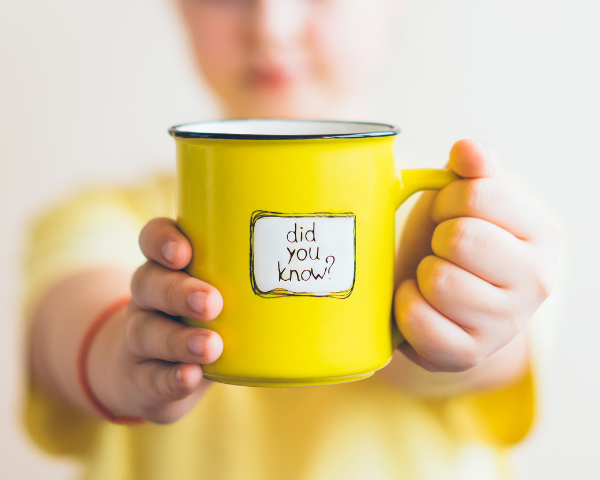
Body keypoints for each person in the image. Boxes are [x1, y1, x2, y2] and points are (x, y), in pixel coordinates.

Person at [22, 0, 560, 479]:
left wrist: (462, 326)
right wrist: (126, 352)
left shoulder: (481, 221)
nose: (272, 25)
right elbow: (66, 313)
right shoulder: (108, 216)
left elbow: (494, 361)